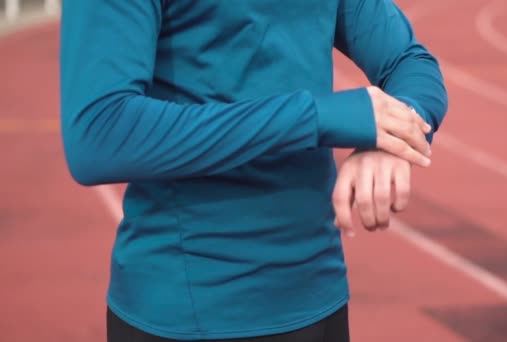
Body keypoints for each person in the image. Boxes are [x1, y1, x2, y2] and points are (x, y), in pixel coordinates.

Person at [60, 0, 448, 341]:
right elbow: (99, 133)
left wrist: (393, 133)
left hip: (319, 296)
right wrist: (315, 116)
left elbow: (409, 62)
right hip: (192, 309)